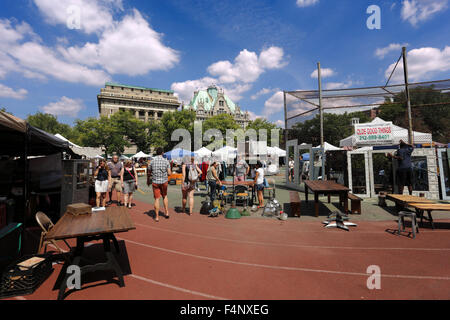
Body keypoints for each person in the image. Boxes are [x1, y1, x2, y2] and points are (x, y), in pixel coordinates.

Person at [147, 147, 172, 222]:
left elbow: (149, 172)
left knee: (157, 198)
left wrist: (148, 180)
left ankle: (157, 216)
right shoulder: (166, 161)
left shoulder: (152, 161)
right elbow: (169, 173)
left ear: (156, 153)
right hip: (164, 181)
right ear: (162, 153)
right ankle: (167, 212)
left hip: (155, 182)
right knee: (165, 196)